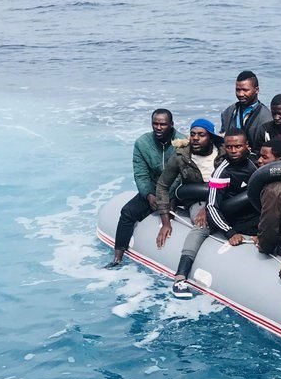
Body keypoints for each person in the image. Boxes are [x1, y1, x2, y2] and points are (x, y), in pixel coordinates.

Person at [168, 130, 259, 297]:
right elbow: (211, 206)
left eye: (238, 146)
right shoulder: (221, 173)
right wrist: (229, 232)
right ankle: (180, 278)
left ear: (247, 146)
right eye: (229, 147)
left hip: (248, 213)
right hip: (226, 215)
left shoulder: (253, 163)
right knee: (200, 227)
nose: (233, 151)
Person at [107, 108, 178, 266]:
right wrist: (148, 195)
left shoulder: (182, 142)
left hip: (176, 189)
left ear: (171, 124)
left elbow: (181, 175)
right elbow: (140, 174)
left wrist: (166, 198)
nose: (158, 127)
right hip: (153, 187)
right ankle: (117, 258)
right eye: (155, 123)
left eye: (163, 124)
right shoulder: (142, 143)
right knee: (127, 212)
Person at [153, 119, 224, 244]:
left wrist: (209, 207)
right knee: (202, 225)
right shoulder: (181, 157)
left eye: (201, 135)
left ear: (211, 138)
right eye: (192, 134)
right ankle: (187, 255)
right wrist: (165, 222)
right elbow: (162, 186)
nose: (195, 138)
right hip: (197, 200)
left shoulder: (224, 155)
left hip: (222, 198)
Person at [219, 71, 271, 148]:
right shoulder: (228, 112)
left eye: (245, 90)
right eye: (238, 90)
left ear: (256, 90)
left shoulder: (266, 117)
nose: (240, 94)